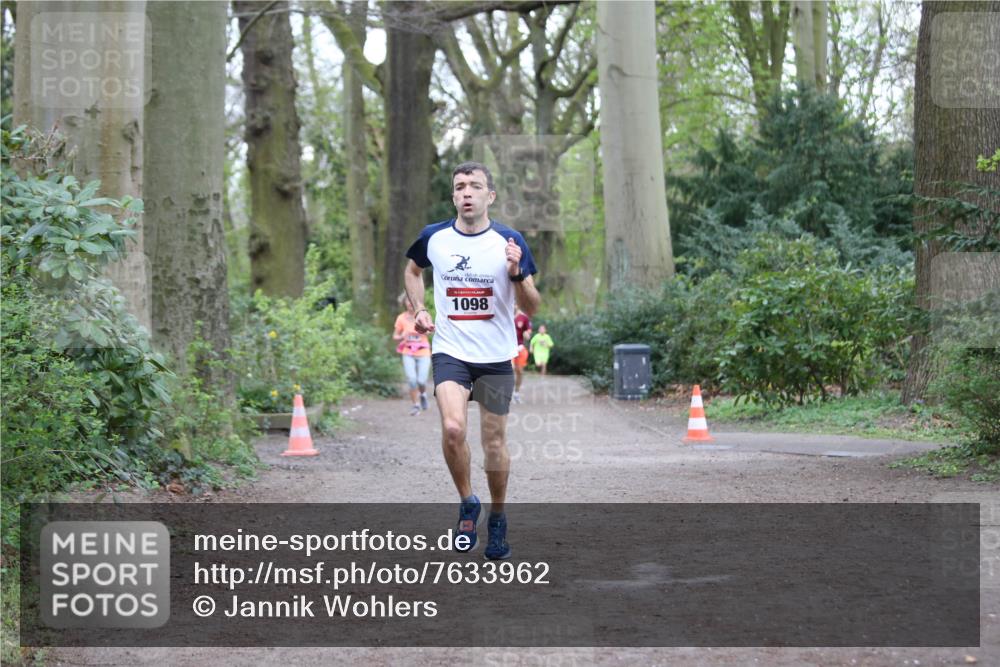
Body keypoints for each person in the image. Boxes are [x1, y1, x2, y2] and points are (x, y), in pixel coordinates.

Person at [403, 161, 540, 560]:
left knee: (493, 443)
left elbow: (532, 305)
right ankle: (468, 503)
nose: (466, 192)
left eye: (475, 186)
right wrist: (420, 308)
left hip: (496, 357)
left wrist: (516, 273)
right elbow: (412, 272)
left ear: (489, 196)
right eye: (460, 186)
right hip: (451, 350)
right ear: (453, 196)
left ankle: (497, 517)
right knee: (452, 428)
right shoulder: (434, 237)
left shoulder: (510, 240)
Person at [392, 293, 432, 416]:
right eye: (407, 300)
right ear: (404, 303)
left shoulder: (424, 315)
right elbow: (395, 336)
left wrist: (425, 330)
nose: (410, 303)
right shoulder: (401, 318)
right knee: (412, 380)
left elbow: (430, 330)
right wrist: (402, 336)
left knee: (421, 381)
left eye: (412, 300)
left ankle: (423, 394)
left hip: (423, 352)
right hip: (408, 352)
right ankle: (416, 405)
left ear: (416, 302)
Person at [512, 306, 532, 404]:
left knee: (519, 371)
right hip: (507, 348)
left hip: (519, 347)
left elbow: (528, 332)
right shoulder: (504, 313)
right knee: (510, 368)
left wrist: (527, 334)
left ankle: (516, 393)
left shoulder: (523, 317)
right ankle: (506, 393)